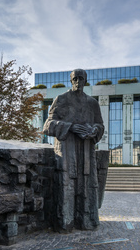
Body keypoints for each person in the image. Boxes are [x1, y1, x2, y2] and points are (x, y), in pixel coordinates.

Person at [43, 69, 104, 231]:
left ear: (85, 81)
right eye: (75, 79)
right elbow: (48, 125)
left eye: (81, 79)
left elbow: (100, 125)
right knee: (66, 186)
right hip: (67, 150)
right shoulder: (61, 99)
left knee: (87, 186)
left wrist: (94, 130)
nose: (78, 82)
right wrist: (71, 127)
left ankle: (86, 221)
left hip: (86, 151)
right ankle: (66, 222)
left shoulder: (92, 103)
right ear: (71, 81)